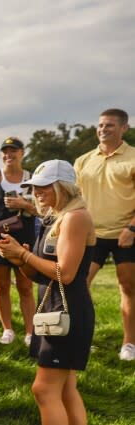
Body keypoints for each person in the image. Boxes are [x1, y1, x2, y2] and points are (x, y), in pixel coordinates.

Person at [0, 160, 96, 425]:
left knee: (44, 389)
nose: (36, 193)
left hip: (67, 310)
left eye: (43, 186)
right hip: (55, 307)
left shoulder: (76, 216)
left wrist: (22, 255)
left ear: (63, 186)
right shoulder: (56, 216)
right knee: (65, 388)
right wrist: (18, 258)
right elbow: (42, 274)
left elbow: (64, 273)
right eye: (34, 187)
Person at [74, 108, 135, 360]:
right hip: (91, 234)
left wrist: (132, 228)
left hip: (126, 233)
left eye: (109, 125)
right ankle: (83, 338)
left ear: (124, 128)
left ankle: (129, 343)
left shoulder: (132, 157)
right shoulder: (83, 160)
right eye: (100, 125)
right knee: (79, 285)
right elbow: (74, 198)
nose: (102, 129)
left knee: (128, 287)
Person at [0, 137, 37, 345]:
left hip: (25, 240)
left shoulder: (33, 178)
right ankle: (8, 329)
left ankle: (30, 332)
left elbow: (44, 210)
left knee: (26, 286)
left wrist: (25, 204)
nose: (8, 155)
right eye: (5, 151)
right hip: (0, 239)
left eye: (13, 151)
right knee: (1, 285)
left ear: (22, 153)